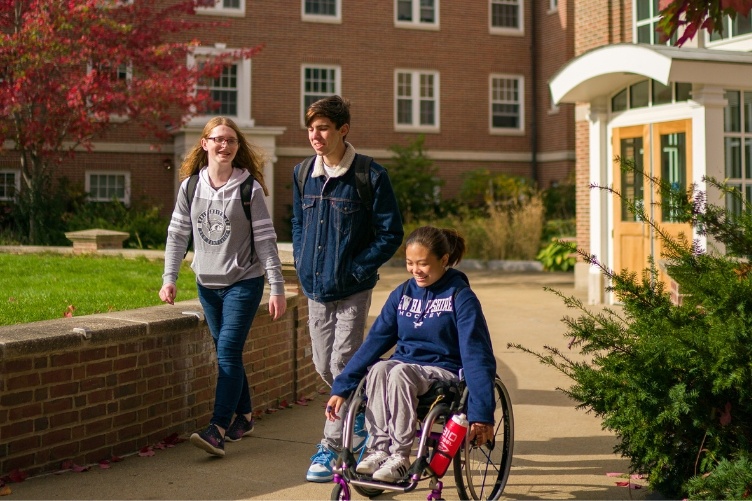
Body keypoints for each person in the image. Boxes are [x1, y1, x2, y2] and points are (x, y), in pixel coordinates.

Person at [325, 226, 496, 483]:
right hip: (404, 367)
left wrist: (482, 413)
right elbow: (374, 343)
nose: (416, 270)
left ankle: (400, 456)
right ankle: (378, 449)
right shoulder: (402, 294)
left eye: (423, 264)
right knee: (380, 369)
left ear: (444, 260)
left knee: (399, 372)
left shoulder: (461, 297)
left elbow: (476, 354)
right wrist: (342, 387)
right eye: (409, 263)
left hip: (443, 371)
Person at [159, 116, 287, 458]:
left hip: (243, 282)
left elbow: (265, 239)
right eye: (217, 139)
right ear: (205, 144)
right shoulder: (190, 186)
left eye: (230, 140)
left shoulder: (249, 188)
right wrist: (169, 278)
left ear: (236, 146)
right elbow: (177, 236)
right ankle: (244, 416)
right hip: (207, 283)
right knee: (226, 352)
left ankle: (216, 428)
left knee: (228, 352)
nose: (224, 145)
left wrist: (276, 286)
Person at [291, 95, 404, 482]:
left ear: (343, 129)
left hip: (352, 287)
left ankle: (330, 445)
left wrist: (359, 267)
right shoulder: (303, 173)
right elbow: (296, 223)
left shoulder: (369, 176)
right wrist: (303, 260)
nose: (315, 136)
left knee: (342, 363)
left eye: (323, 128)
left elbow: (391, 233)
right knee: (323, 364)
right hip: (315, 287)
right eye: (311, 129)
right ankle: (364, 417)